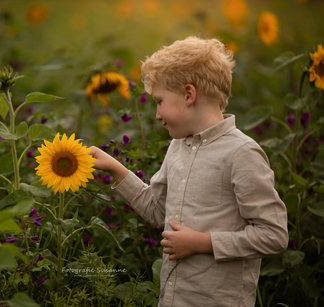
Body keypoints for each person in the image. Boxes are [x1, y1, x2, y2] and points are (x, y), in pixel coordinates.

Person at [87, 36, 288, 307]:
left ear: (189, 95)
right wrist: (115, 167)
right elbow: (157, 210)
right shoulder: (178, 146)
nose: (157, 114)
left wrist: (203, 242)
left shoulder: (241, 153)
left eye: (159, 101)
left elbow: (274, 235)